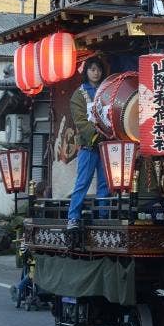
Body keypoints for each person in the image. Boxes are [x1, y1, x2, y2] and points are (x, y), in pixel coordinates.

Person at [67, 57, 110, 230]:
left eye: (98, 69)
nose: (96, 72)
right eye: (92, 69)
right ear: (86, 72)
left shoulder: (106, 90)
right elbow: (81, 122)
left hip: (106, 144)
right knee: (83, 182)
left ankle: (103, 217)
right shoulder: (79, 94)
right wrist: (97, 133)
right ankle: (73, 217)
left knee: (105, 184)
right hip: (89, 144)